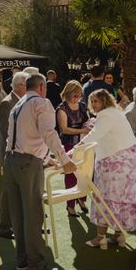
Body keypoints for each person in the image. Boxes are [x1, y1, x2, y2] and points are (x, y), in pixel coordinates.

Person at [4, 73, 76, 270]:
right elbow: (49, 133)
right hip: (27, 164)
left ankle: (23, 260)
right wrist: (64, 159)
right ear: (42, 86)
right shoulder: (42, 103)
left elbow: (18, 137)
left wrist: (46, 158)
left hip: (11, 161)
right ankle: (35, 266)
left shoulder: (17, 105)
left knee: (18, 215)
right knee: (34, 214)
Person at [79, 89, 136, 248]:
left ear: (105, 101)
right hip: (127, 163)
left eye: (96, 101)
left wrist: (76, 148)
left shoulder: (106, 115)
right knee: (121, 199)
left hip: (115, 163)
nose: (94, 104)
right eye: (92, 101)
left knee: (105, 197)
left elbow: (95, 134)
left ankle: (100, 237)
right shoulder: (115, 113)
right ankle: (119, 236)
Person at [0, 71, 28, 239]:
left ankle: (16, 226)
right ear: (19, 86)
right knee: (8, 193)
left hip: (21, 154)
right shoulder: (7, 103)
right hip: (11, 154)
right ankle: (3, 228)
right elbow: (4, 130)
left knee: (15, 193)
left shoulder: (21, 101)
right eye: (27, 84)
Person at [56, 80, 90, 216]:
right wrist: (82, 130)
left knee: (84, 174)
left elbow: (88, 121)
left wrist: (87, 128)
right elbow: (64, 129)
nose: (77, 98)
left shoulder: (82, 106)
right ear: (68, 94)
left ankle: (82, 199)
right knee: (71, 176)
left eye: (79, 95)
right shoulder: (62, 108)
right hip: (69, 144)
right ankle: (70, 205)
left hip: (83, 143)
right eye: (75, 95)